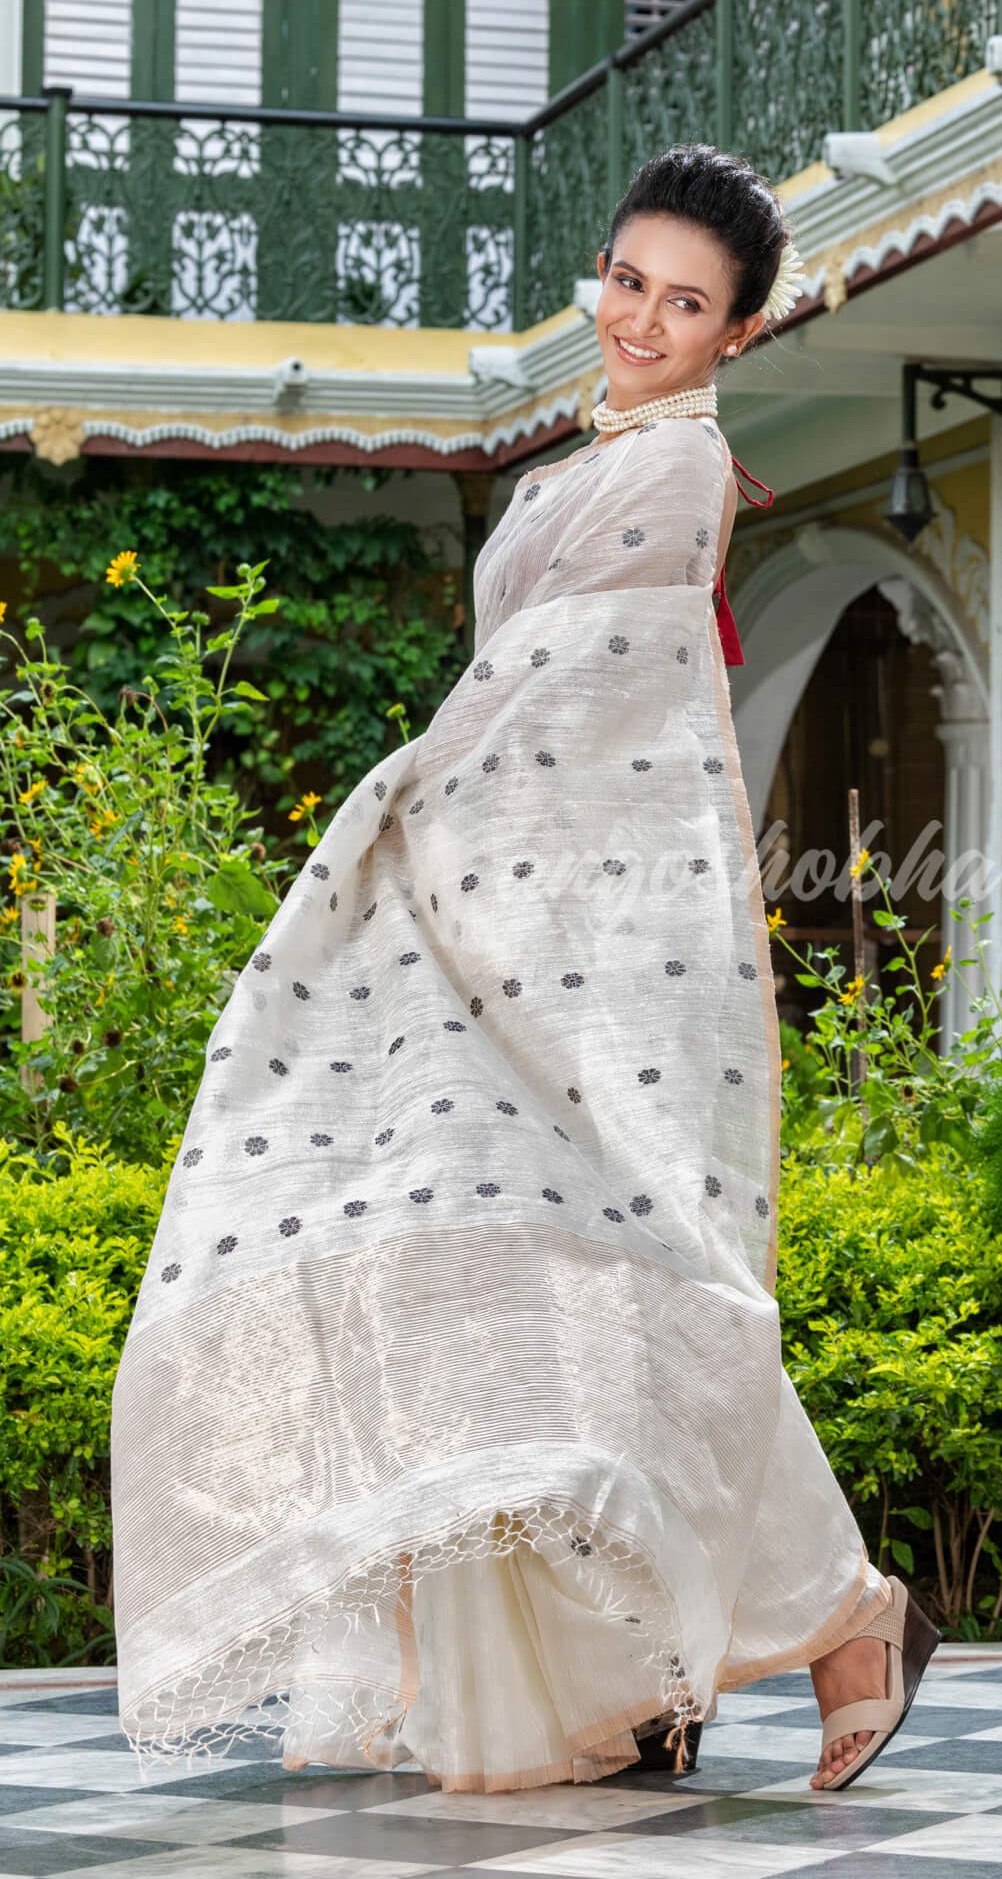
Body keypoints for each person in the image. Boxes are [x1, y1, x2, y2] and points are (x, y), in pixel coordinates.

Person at [108, 142, 939, 1798]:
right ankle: (629, 1675)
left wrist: (401, 802)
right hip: (488, 936)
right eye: (629, 280)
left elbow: (562, 711)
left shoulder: (679, 468)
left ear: (736, 333)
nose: (641, 317)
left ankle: (842, 1619)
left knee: (632, 1281)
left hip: (583, 950)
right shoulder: (592, 456)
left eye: (684, 302)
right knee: (489, 1279)